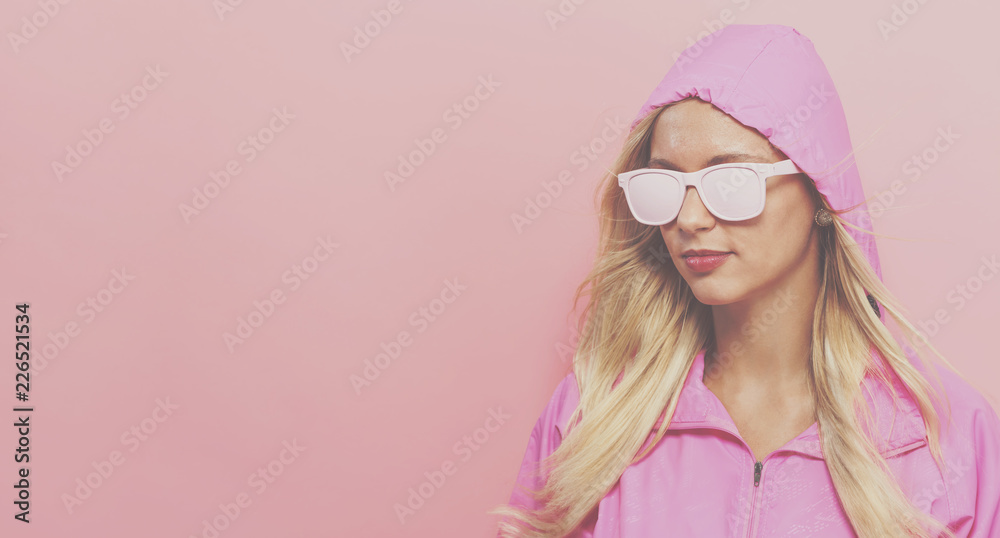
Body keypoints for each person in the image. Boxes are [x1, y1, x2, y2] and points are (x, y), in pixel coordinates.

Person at [490, 24, 1000, 537]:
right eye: (665, 184)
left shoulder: (945, 437)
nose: (689, 219)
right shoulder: (591, 418)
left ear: (818, 190)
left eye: (731, 181)